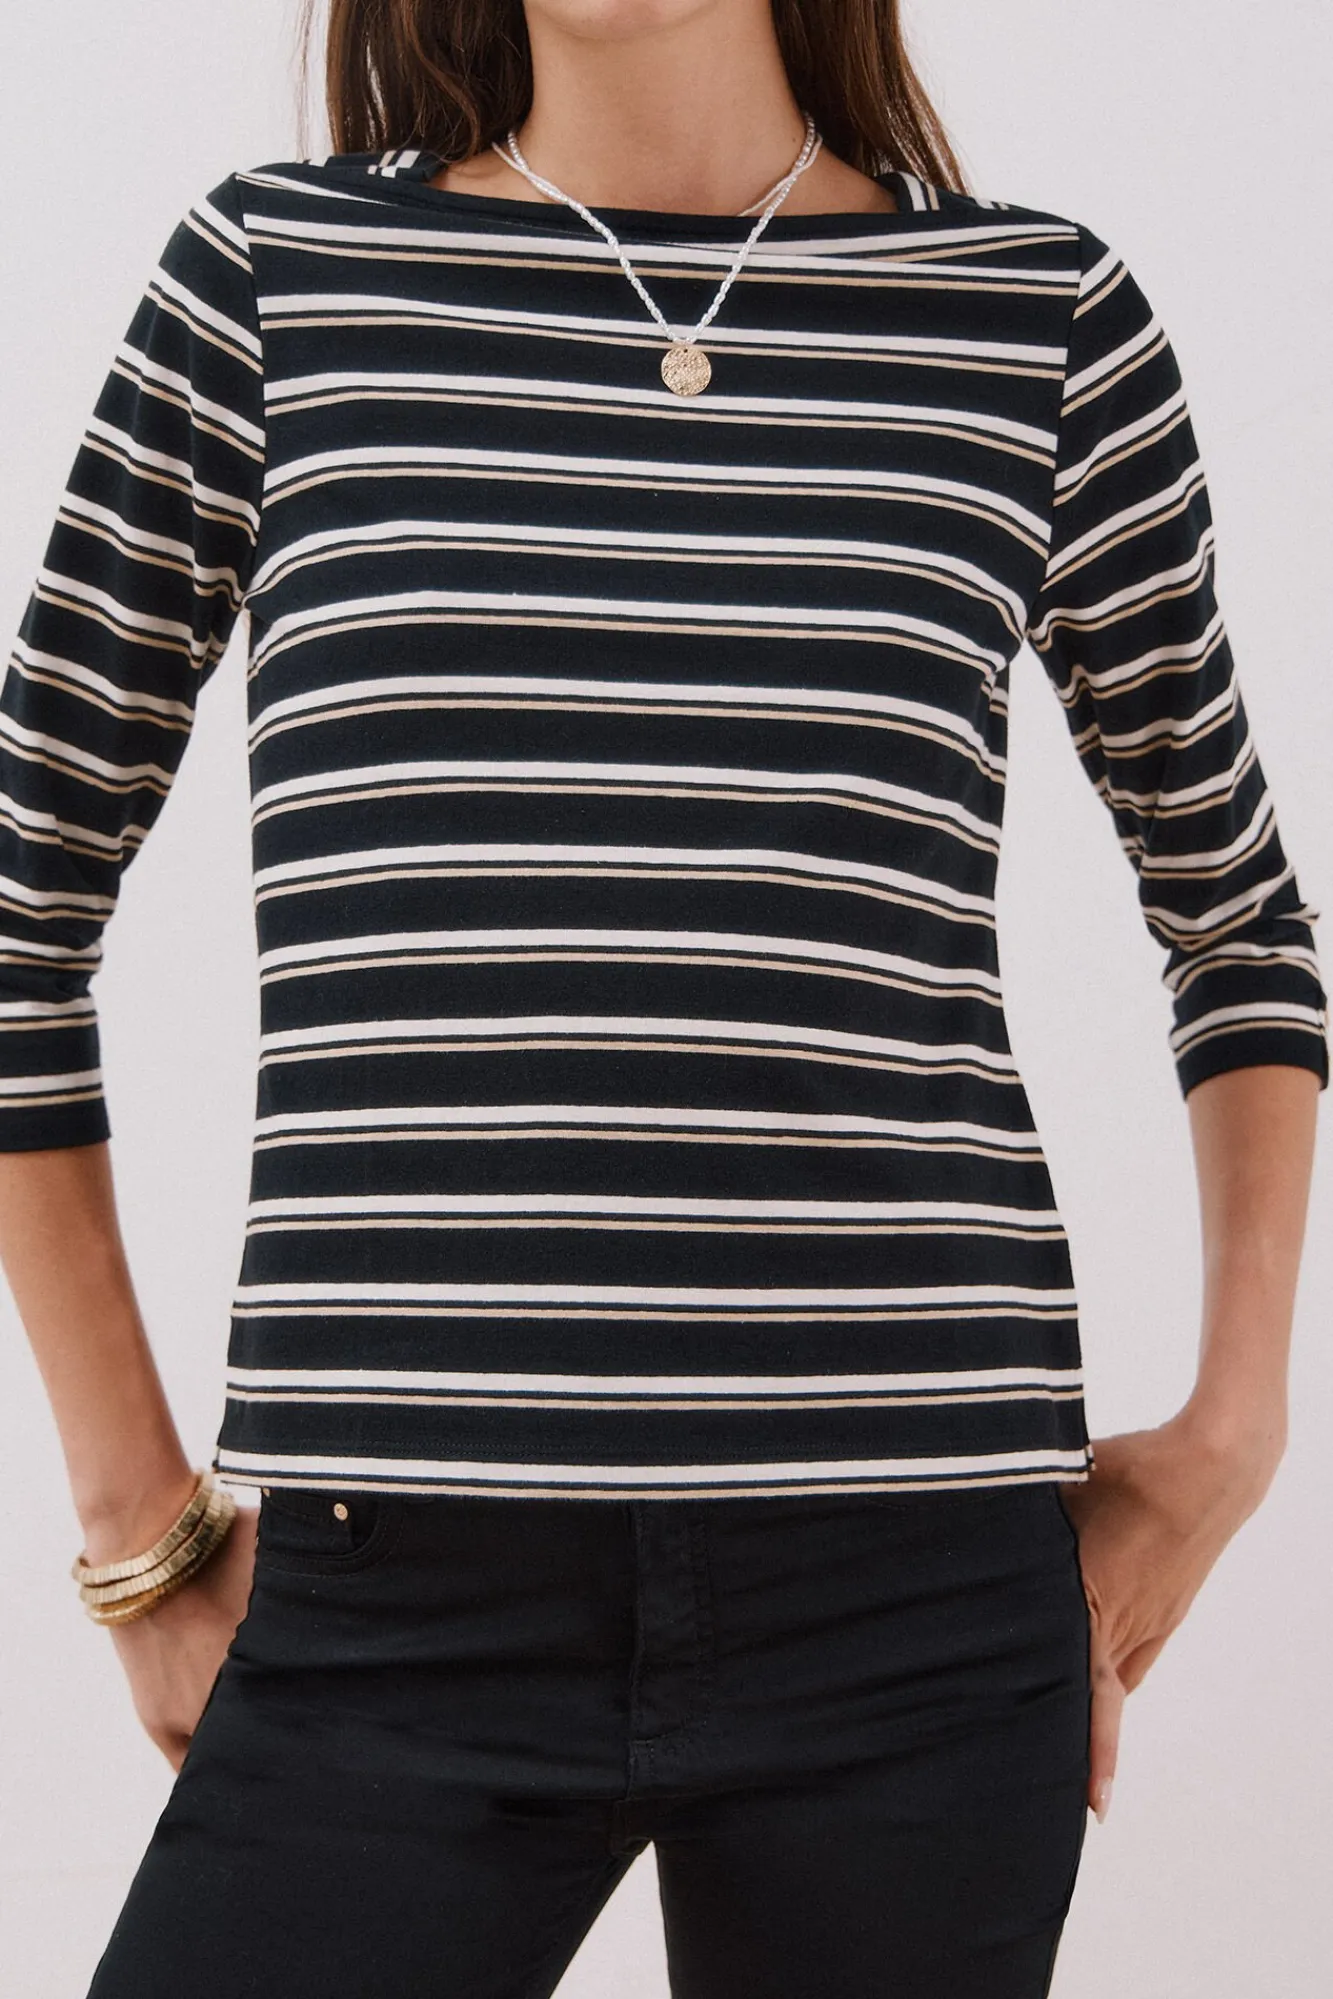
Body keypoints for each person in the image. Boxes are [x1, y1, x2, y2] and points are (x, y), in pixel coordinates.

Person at [0, 2, 1325, 1994]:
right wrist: (137, 1524)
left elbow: (1235, 915)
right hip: (392, 1598)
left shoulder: (1033, 321)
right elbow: (25, 900)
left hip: (918, 1606)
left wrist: (1236, 1425)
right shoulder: (278, 285)